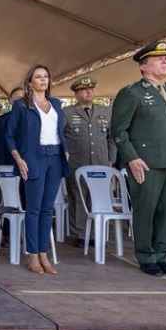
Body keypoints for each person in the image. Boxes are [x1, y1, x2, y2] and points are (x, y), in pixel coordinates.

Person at [111, 41, 166, 278]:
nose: (165, 61)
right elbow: (119, 131)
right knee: (146, 210)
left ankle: (163, 257)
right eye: (158, 58)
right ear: (143, 66)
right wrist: (132, 158)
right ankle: (147, 257)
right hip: (146, 163)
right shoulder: (131, 93)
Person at [6, 64, 68, 275]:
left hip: (55, 157)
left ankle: (43, 253)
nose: (43, 80)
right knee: (33, 209)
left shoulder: (56, 104)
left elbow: (60, 131)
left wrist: (65, 150)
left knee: (47, 209)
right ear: (30, 82)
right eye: (38, 76)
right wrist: (18, 158)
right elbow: (10, 135)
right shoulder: (21, 105)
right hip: (33, 158)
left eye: (46, 76)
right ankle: (32, 254)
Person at [62, 76, 116, 249]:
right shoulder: (67, 112)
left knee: (97, 197)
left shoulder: (105, 112)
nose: (88, 92)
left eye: (90, 89)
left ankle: (95, 232)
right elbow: (60, 135)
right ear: (76, 94)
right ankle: (80, 234)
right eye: (84, 90)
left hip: (100, 162)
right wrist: (65, 153)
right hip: (77, 162)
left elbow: (111, 137)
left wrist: (111, 158)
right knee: (78, 197)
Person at [0, 88, 23, 167]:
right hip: (9, 165)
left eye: (23, 98)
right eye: (18, 98)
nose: (21, 101)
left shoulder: (35, 117)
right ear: (10, 100)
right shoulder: (2, 120)